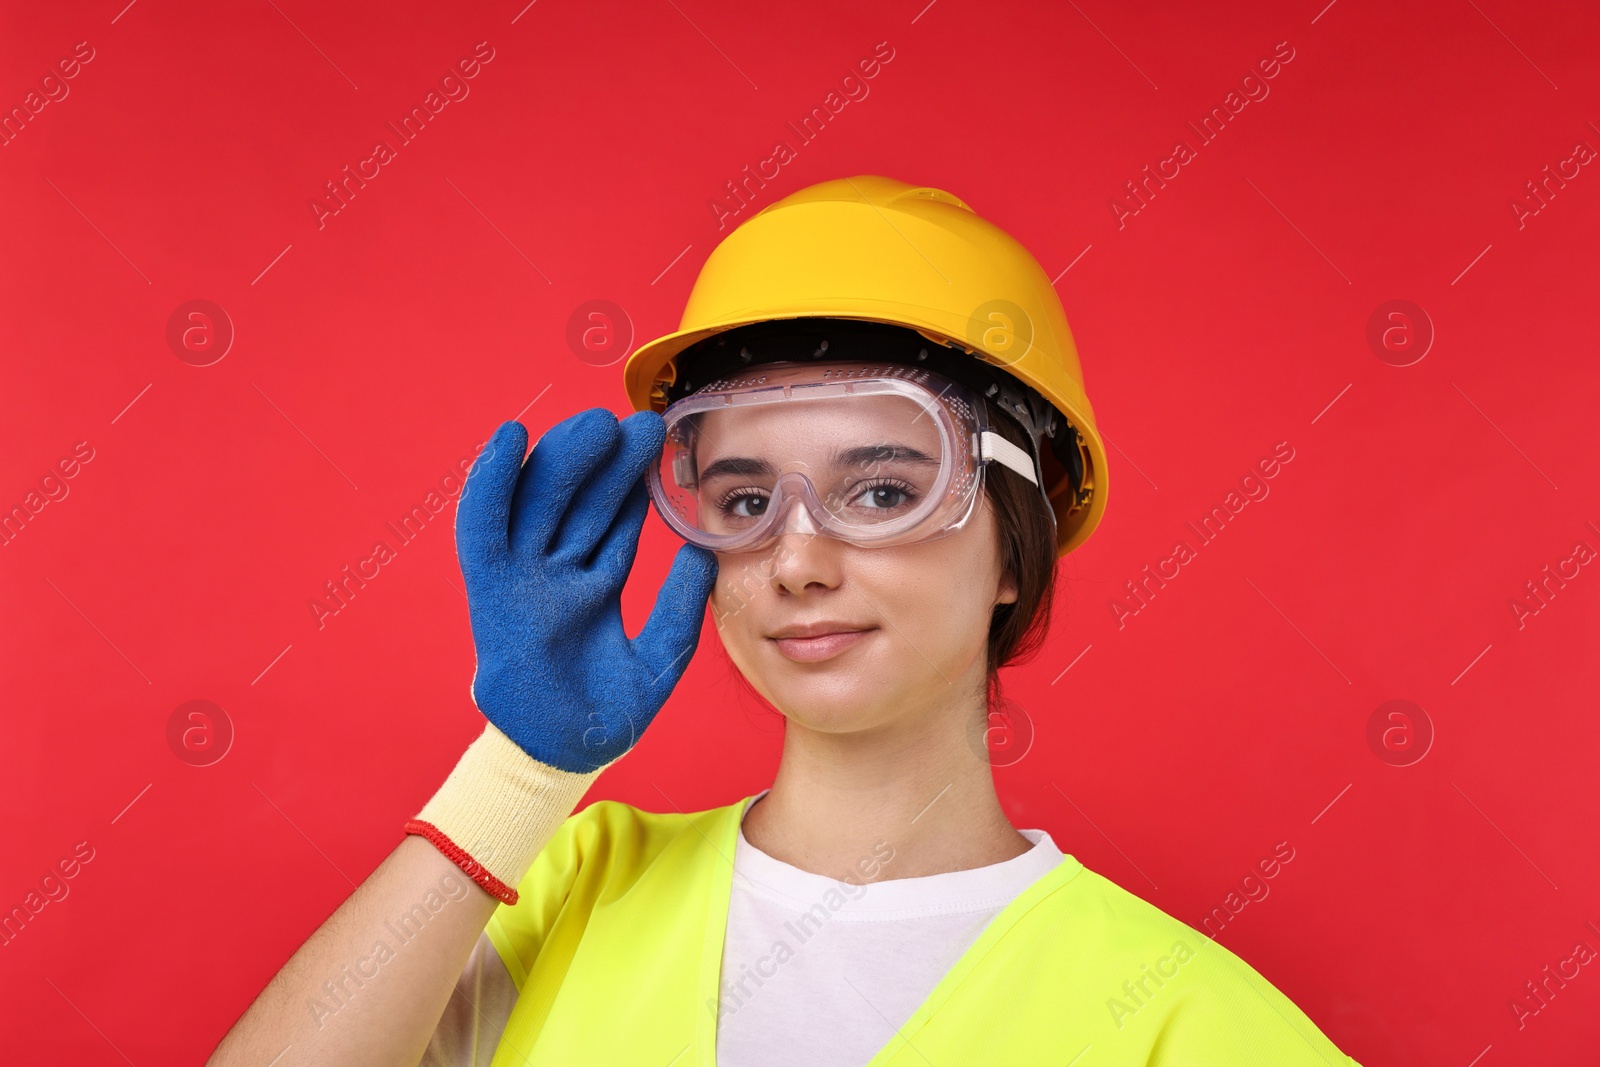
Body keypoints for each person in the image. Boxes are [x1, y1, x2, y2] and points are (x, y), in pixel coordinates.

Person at [208, 176, 1363, 1066]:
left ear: (1017, 536)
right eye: (747, 499)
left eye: (880, 489)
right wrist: (515, 774)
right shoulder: (572, 879)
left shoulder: (1184, 1018)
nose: (797, 558)